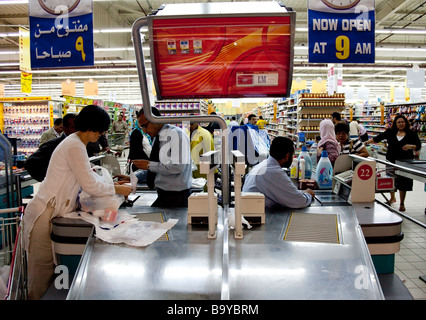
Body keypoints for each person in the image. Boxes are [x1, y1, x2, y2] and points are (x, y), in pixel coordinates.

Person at [23, 105, 132, 300]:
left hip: (53, 210)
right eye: (100, 130)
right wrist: (117, 189)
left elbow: (88, 175)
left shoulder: (76, 144)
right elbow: (90, 185)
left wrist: (111, 183)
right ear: (91, 127)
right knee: (41, 270)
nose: (101, 135)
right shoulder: (74, 145)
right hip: (43, 212)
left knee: (50, 268)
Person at [131, 107, 192, 207]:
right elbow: (161, 167)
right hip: (163, 195)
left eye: (144, 126)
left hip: (177, 198)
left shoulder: (176, 135)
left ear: (154, 119)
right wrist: (134, 177)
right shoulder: (158, 137)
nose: (144, 131)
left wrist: (148, 165)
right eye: (142, 128)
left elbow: (177, 167)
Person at [365, 114, 421, 212]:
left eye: (402, 122)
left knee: (403, 181)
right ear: (395, 123)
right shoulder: (391, 132)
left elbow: (418, 145)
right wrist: (365, 143)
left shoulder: (411, 133)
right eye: (398, 122)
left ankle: (402, 203)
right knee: (391, 179)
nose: (401, 124)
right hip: (391, 159)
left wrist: (410, 146)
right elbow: (378, 138)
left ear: (406, 123)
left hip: (405, 161)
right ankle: (392, 198)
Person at [242, 136, 314, 209]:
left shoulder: (264, 165)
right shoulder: (273, 172)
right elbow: (299, 201)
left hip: (251, 211)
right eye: (292, 155)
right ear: (287, 156)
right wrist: (308, 194)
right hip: (258, 216)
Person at [24, 113, 77, 182]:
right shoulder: (53, 144)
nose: (77, 130)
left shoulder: (79, 142)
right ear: (65, 128)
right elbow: (30, 162)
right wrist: (50, 179)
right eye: (73, 127)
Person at [127, 110, 152, 183]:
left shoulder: (147, 134)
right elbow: (137, 151)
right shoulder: (136, 133)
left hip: (146, 166)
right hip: (139, 165)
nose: (144, 130)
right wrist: (149, 163)